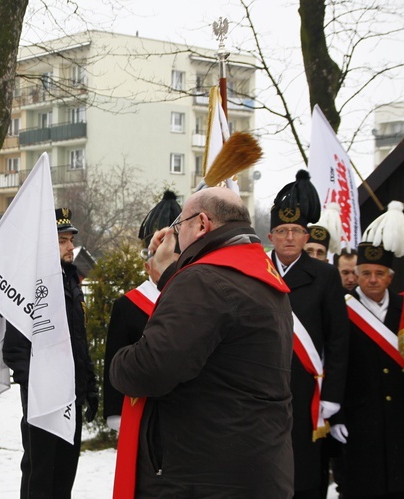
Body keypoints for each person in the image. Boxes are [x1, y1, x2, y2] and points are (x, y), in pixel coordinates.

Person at [110, 187, 294, 498]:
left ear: (202, 224)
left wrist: (120, 361)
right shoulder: (258, 275)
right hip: (252, 468)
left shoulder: (203, 280)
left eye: (180, 227)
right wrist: (172, 275)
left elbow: (149, 369)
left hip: (201, 475)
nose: (176, 237)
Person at [2, 207, 99, 499]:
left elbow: (78, 342)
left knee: (64, 475)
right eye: (62, 241)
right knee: (40, 476)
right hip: (44, 402)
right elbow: (15, 349)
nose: (71, 247)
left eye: (70, 240)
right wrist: (38, 388)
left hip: (72, 396)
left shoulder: (71, 281)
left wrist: (89, 387)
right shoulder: (30, 286)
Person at [267, 170, 349, 499]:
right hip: (263, 389)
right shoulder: (256, 272)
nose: (289, 237)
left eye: (296, 231)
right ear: (270, 235)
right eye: (282, 231)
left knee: (305, 477)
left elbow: (338, 341)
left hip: (307, 393)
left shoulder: (325, 276)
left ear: (306, 236)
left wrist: (331, 395)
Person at [330, 201, 404, 498]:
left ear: (390, 276)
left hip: (399, 423)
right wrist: (335, 417)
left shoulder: (403, 308)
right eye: (366, 273)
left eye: (379, 273)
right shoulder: (342, 308)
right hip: (359, 423)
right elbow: (333, 364)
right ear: (356, 274)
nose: (372, 280)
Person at [103, 191, 181, 432]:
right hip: (140, 411)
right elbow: (113, 362)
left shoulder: (196, 301)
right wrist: (117, 414)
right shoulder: (127, 306)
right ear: (147, 263)